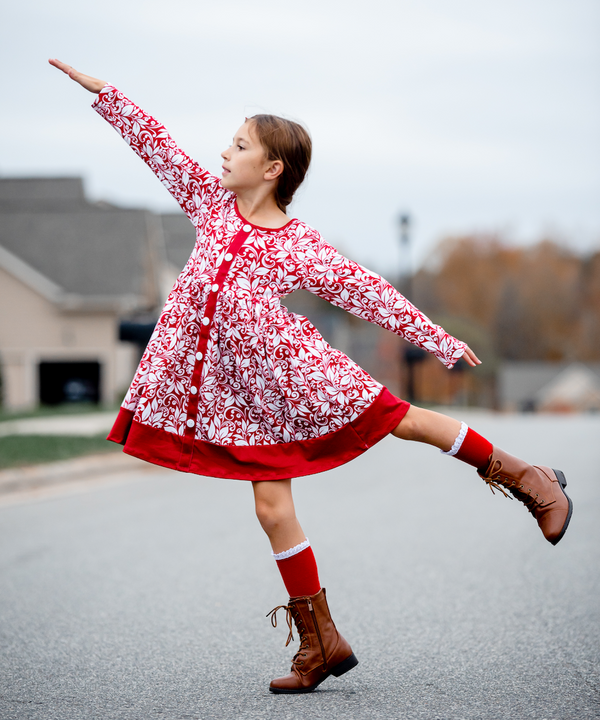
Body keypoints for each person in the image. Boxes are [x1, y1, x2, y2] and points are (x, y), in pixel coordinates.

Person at [49, 59, 573, 695]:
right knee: (272, 510)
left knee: (400, 419)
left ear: (272, 169)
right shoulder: (210, 207)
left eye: (239, 145)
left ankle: (528, 477)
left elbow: (366, 290)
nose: (224, 151)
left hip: (295, 372)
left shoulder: (299, 243)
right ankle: (321, 640)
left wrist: (433, 337)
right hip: (240, 396)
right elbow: (157, 148)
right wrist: (107, 95)